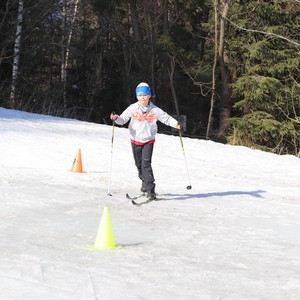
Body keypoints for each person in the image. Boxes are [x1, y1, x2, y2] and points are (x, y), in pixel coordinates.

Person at [110, 82, 181, 200]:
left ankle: (151, 190)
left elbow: (166, 118)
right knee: (139, 165)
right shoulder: (133, 108)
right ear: (137, 96)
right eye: (140, 95)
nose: (142, 97)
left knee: (146, 164)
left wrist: (175, 123)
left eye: (145, 95)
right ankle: (144, 183)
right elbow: (122, 120)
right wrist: (116, 118)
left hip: (148, 141)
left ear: (149, 96)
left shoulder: (155, 110)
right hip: (135, 140)